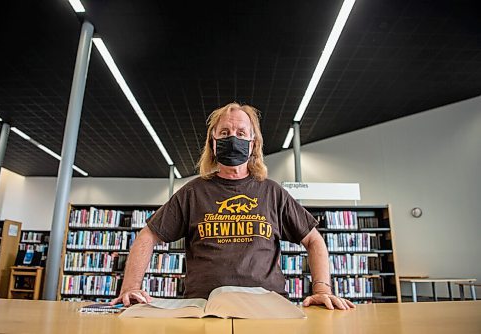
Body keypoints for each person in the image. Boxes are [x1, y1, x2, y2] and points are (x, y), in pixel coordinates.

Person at [110, 102, 355, 310]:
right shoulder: (193, 192)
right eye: (225, 133)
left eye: (241, 133)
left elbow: (314, 240)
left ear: (253, 143)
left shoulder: (272, 192)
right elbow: (147, 236)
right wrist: (130, 288)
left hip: (267, 309)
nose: (233, 138)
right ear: (213, 143)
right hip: (203, 309)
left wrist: (322, 288)